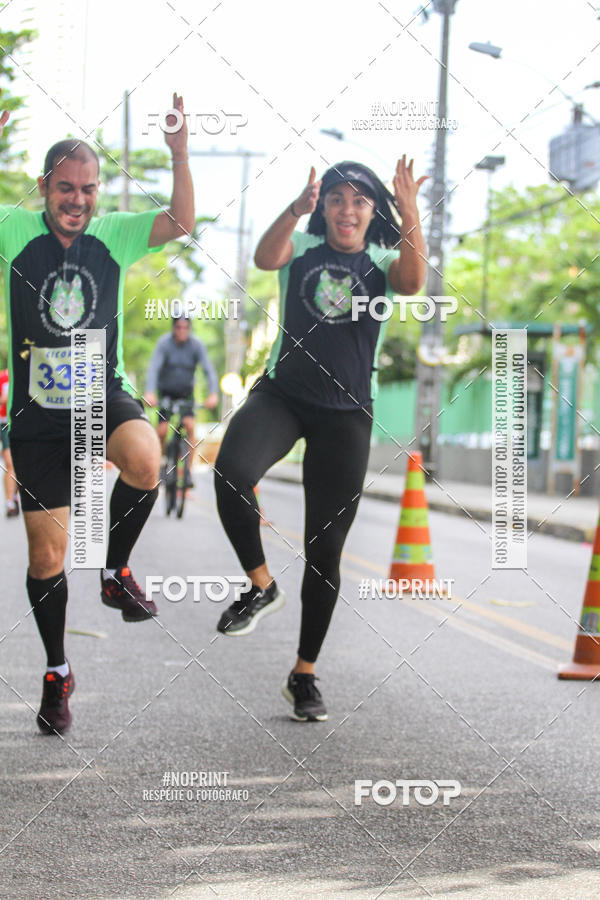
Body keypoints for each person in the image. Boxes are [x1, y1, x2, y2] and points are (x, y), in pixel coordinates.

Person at [0, 92, 195, 735]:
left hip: (99, 390)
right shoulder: (12, 230)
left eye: (87, 188)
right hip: (37, 414)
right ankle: (57, 671)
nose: (77, 199)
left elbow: (182, 222)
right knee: (46, 558)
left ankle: (115, 572)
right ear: (44, 188)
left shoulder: (114, 233)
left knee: (146, 459)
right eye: (64, 188)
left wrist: (179, 153)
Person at [214, 158, 427, 722]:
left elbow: (414, 282)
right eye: (337, 199)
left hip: (347, 414)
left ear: (371, 211)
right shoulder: (301, 249)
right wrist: (294, 208)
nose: (348, 210)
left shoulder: (382, 261)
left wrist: (409, 213)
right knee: (231, 472)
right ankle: (261, 586)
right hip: (283, 396)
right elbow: (264, 258)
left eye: (359, 201)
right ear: (324, 205)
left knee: (324, 553)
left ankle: (304, 673)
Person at [144, 315, 218, 485]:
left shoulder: (196, 345)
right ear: (173, 328)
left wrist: (213, 393)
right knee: (162, 430)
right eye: (178, 327)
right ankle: (161, 462)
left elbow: (209, 370)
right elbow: (153, 369)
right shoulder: (164, 344)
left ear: (189, 329)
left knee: (190, 426)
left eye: (185, 327)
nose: (182, 331)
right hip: (166, 393)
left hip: (186, 394)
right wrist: (150, 392)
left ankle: (188, 472)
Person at [0, 367, 19, 517]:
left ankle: (16, 495)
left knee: (22, 464)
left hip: (22, 422)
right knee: (10, 463)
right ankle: (9, 502)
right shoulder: (3, 377)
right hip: (4, 423)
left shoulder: (24, 374)